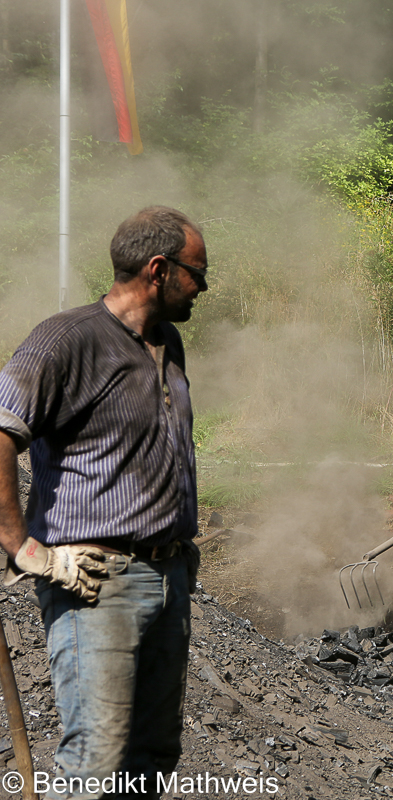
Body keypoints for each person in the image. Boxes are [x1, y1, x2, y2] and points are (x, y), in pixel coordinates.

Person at [0, 206, 207, 798]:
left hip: (168, 576)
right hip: (97, 581)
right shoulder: (67, 340)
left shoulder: (168, 343)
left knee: (153, 757)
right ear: (158, 270)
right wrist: (22, 547)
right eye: (197, 273)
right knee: (96, 761)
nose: (203, 288)